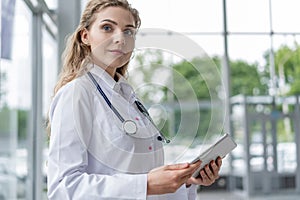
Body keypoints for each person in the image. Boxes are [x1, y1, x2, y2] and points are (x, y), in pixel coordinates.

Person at [47, 0, 222, 199]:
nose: (120, 38)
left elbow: (142, 175)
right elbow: (63, 188)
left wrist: (185, 180)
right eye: (107, 28)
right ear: (85, 36)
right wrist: (145, 185)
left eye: (128, 31)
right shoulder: (77, 93)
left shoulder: (128, 97)